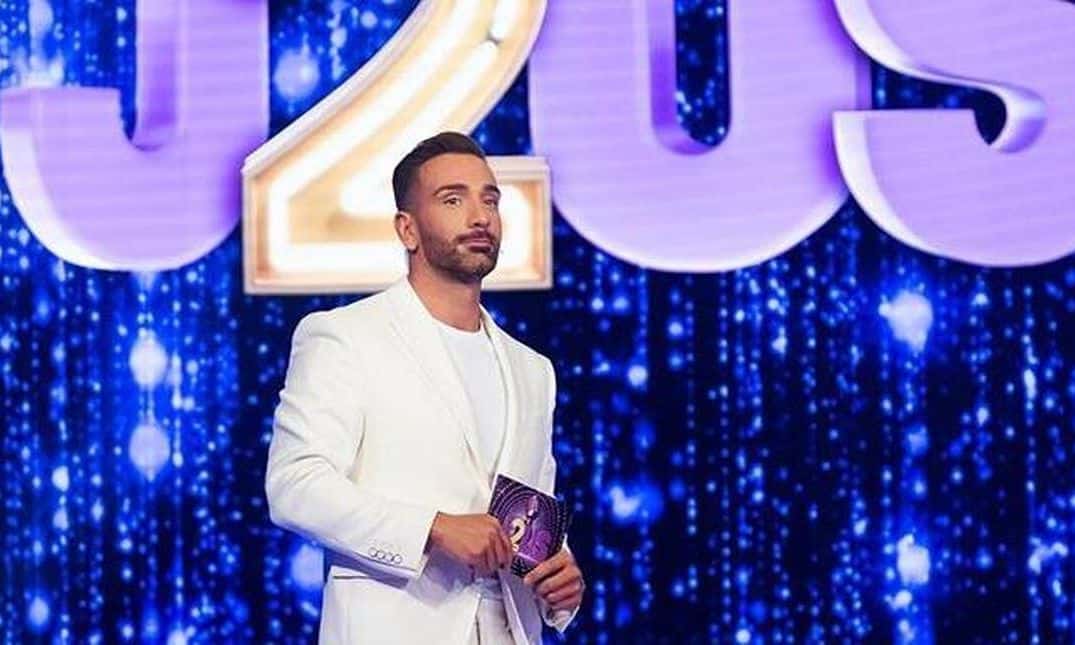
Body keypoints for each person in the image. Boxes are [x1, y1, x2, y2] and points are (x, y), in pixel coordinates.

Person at [265, 132, 584, 644]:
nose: (479, 217)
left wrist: (559, 576)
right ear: (406, 229)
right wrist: (432, 528)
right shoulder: (345, 337)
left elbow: (531, 515)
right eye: (453, 200)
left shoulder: (533, 370)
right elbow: (295, 486)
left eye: (490, 200)